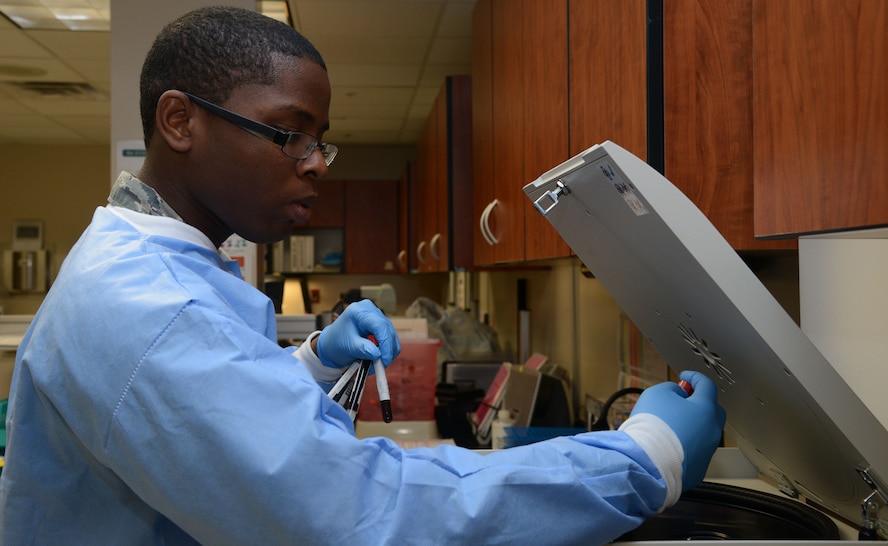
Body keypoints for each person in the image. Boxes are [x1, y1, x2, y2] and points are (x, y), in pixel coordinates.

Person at [0, 6, 726, 544]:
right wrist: (641, 456)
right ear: (181, 121)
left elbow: (207, 414)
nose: (316, 163)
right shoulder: (150, 307)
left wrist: (312, 363)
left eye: (322, 141)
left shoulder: (151, 264)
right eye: (290, 133)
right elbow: (361, 513)